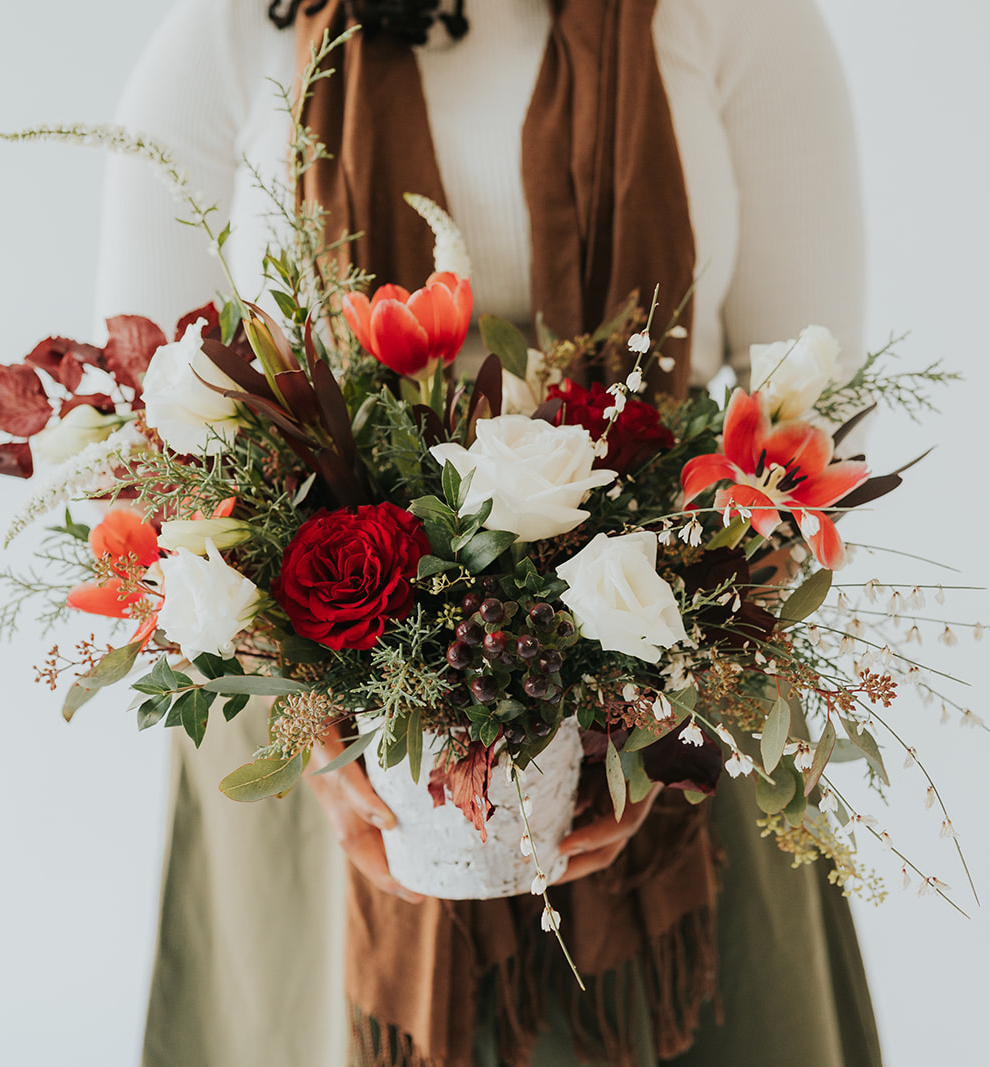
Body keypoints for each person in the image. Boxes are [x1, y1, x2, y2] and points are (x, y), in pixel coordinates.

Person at [95, 1, 880, 1063]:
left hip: (674, 671)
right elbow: (150, 432)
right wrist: (324, 740)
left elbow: (818, 412)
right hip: (313, 710)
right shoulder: (242, 23)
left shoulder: (732, 17)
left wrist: (649, 716)